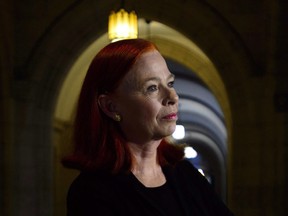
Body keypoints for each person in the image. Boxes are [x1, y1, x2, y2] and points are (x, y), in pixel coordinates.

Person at [63, 38, 234, 216]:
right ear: (110, 107)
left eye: (170, 83)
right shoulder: (91, 194)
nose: (172, 96)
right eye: (152, 88)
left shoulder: (185, 174)